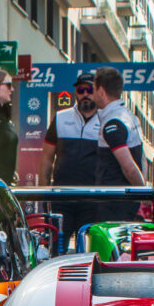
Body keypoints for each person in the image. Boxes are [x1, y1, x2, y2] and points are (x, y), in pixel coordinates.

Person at [37, 71, 102, 250]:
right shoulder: (60, 118)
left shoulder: (107, 121)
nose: (85, 94)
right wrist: (44, 196)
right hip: (61, 198)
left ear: (97, 92)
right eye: (81, 90)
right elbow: (46, 159)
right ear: (76, 93)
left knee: (89, 254)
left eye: (90, 89)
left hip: (92, 200)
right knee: (55, 252)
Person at [92, 66, 145, 220]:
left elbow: (129, 169)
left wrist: (143, 195)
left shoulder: (112, 123)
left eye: (93, 89)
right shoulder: (129, 116)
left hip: (114, 203)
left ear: (101, 90)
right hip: (124, 201)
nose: (92, 94)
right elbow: (142, 159)